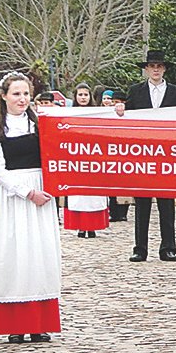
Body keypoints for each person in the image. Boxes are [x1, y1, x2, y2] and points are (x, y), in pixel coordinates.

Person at [0, 71, 62, 344]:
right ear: (4, 96)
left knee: (39, 253)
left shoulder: (41, 123)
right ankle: (14, 323)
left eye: (26, 93)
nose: (22, 99)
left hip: (42, 193)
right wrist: (27, 192)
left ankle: (39, 323)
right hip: (12, 197)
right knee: (13, 255)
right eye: (16, 94)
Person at [125, 50, 176, 262]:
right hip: (142, 154)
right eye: (152, 66)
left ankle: (168, 247)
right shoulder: (135, 92)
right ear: (146, 69)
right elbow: (125, 121)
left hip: (167, 155)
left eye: (159, 66)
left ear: (164, 68)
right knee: (141, 203)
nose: (156, 69)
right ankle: (140, 247)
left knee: (166, 203)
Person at [64, 83, 109, 239]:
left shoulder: (97, 114)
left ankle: (93, 227)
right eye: (80, 95)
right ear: (75, 97)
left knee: (93, 195)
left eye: (85, 95)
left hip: (94, 159)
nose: (83, 98)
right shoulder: (68, 114)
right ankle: (80, 227)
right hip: (76, 159)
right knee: (78, 195)